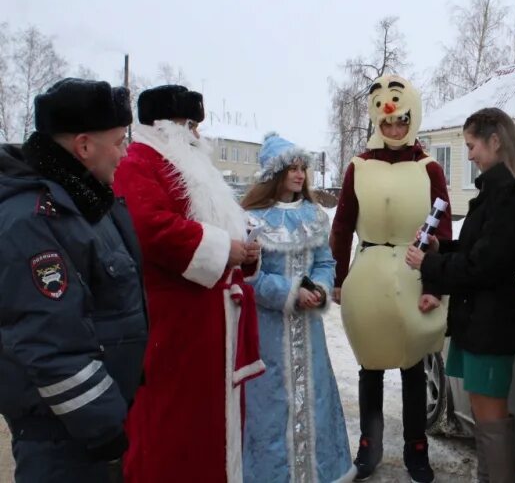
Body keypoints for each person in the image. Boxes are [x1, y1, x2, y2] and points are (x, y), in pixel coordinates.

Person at [112, 85, 265, 483]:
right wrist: (222, 249)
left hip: (209, 330)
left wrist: (243, 249)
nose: (198, 135)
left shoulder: (186, 165)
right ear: (167, 125)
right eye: (191, 125)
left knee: (210, 427)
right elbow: (149, 229)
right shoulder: (139, 163)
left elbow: (218, 228)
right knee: (172, 432)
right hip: (174, 328)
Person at [0, 78, 147, 483]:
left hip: (92, 421)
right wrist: (105, 430)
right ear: (83, 147)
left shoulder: (87, 201)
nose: (125, 152)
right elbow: (51, 345)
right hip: (65, 435)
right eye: (119, 141)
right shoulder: (33, 221)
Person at [405, 107, 515, 483]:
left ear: (495, 141)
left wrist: (428, 266)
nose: (469, 154)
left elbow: (484, 267)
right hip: (480, 322)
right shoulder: (496, 192)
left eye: (473, 146)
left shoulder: (510, 196)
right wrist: (442, 249)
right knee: (482, 413)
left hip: (492, 325)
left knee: (490, 418)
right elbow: (479, 250)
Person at [330, 74, 451, 483]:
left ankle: (417, 448)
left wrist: (435, 285)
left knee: (413, 366)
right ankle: (370, 443)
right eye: (387, 123)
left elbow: (445, 232)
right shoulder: (358, 166)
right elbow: (343, 224)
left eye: (402, 121)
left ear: (412, 118)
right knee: (370, 366)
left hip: (414, 273)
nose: (395, 129)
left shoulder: (428, 168)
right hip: (368, 273)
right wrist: (338, 276)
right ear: (376, 122)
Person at [240, 133, 354, 483]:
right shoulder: (251, 219)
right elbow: (249, 278)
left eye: (303, 167)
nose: (300, 174)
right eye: (292, 167)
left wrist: (318, 289)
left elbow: (325, 261)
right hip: (269, 335)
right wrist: (290, 293)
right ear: (275, 173)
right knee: (271, 410)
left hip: (309, 333)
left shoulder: (313, 215)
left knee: (314, 400)